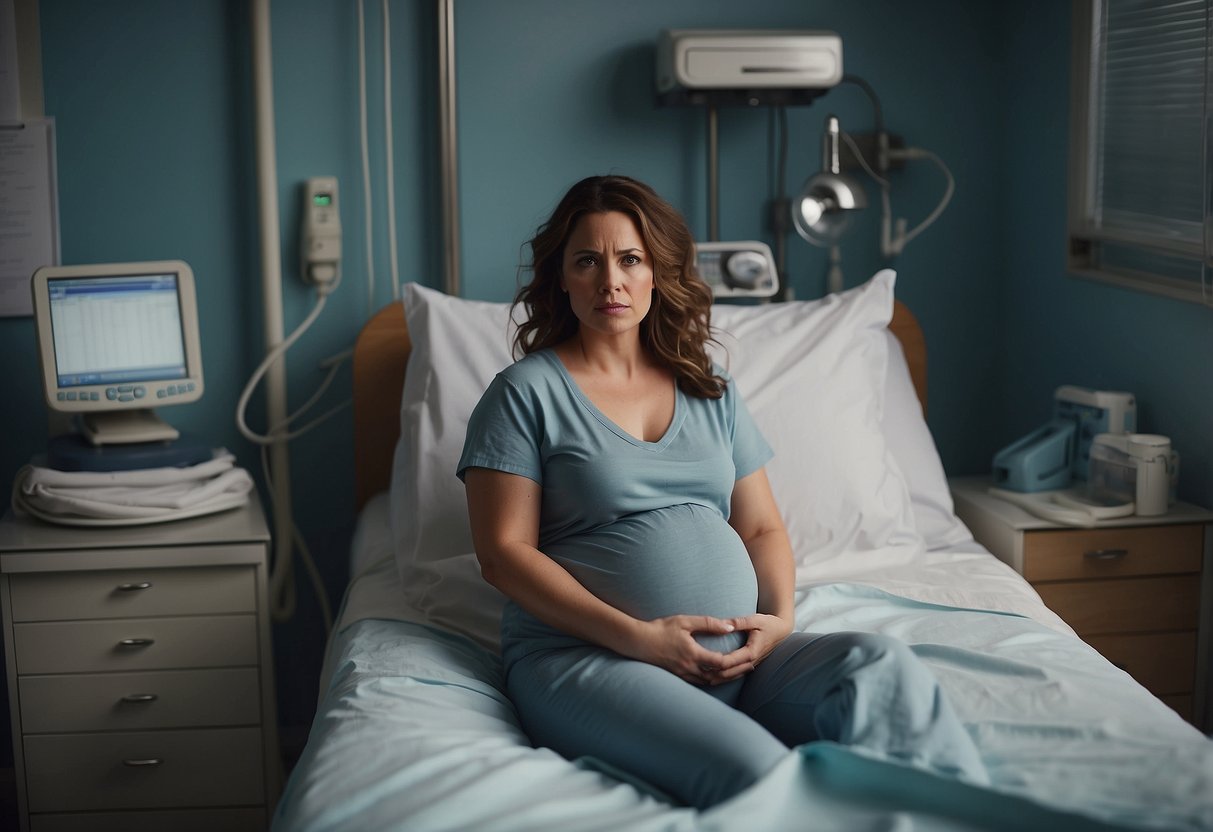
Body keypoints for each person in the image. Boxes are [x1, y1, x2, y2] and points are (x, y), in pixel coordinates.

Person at [457, 174, 986, 810]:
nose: (610, 281)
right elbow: (503, 554)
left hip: (741, 660)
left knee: (883, 672)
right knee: (764, 775)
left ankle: (972, 816)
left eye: (630, 259)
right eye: (587, 262)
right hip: (590, 658)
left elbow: (762, 527)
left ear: (658, 271)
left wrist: (779, 625)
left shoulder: (709, 390)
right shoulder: (524, 395)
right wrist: (640, 638)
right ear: (561, 278)